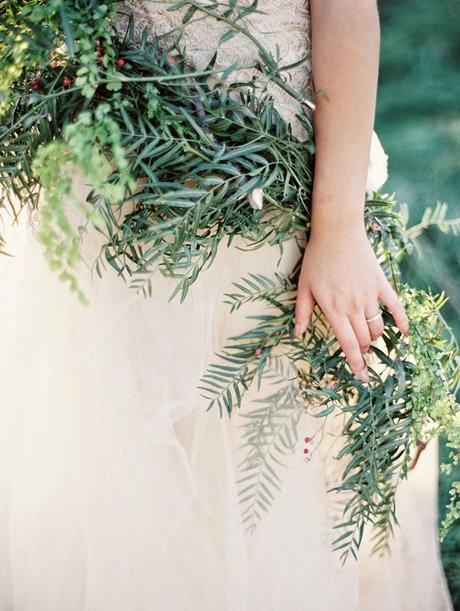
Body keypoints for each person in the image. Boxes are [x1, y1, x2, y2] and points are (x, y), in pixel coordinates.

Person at [0, 1, 453, 609]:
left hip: (265, 200)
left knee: (262, 472)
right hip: (103, 179)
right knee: (111, 468)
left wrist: (338, 227)